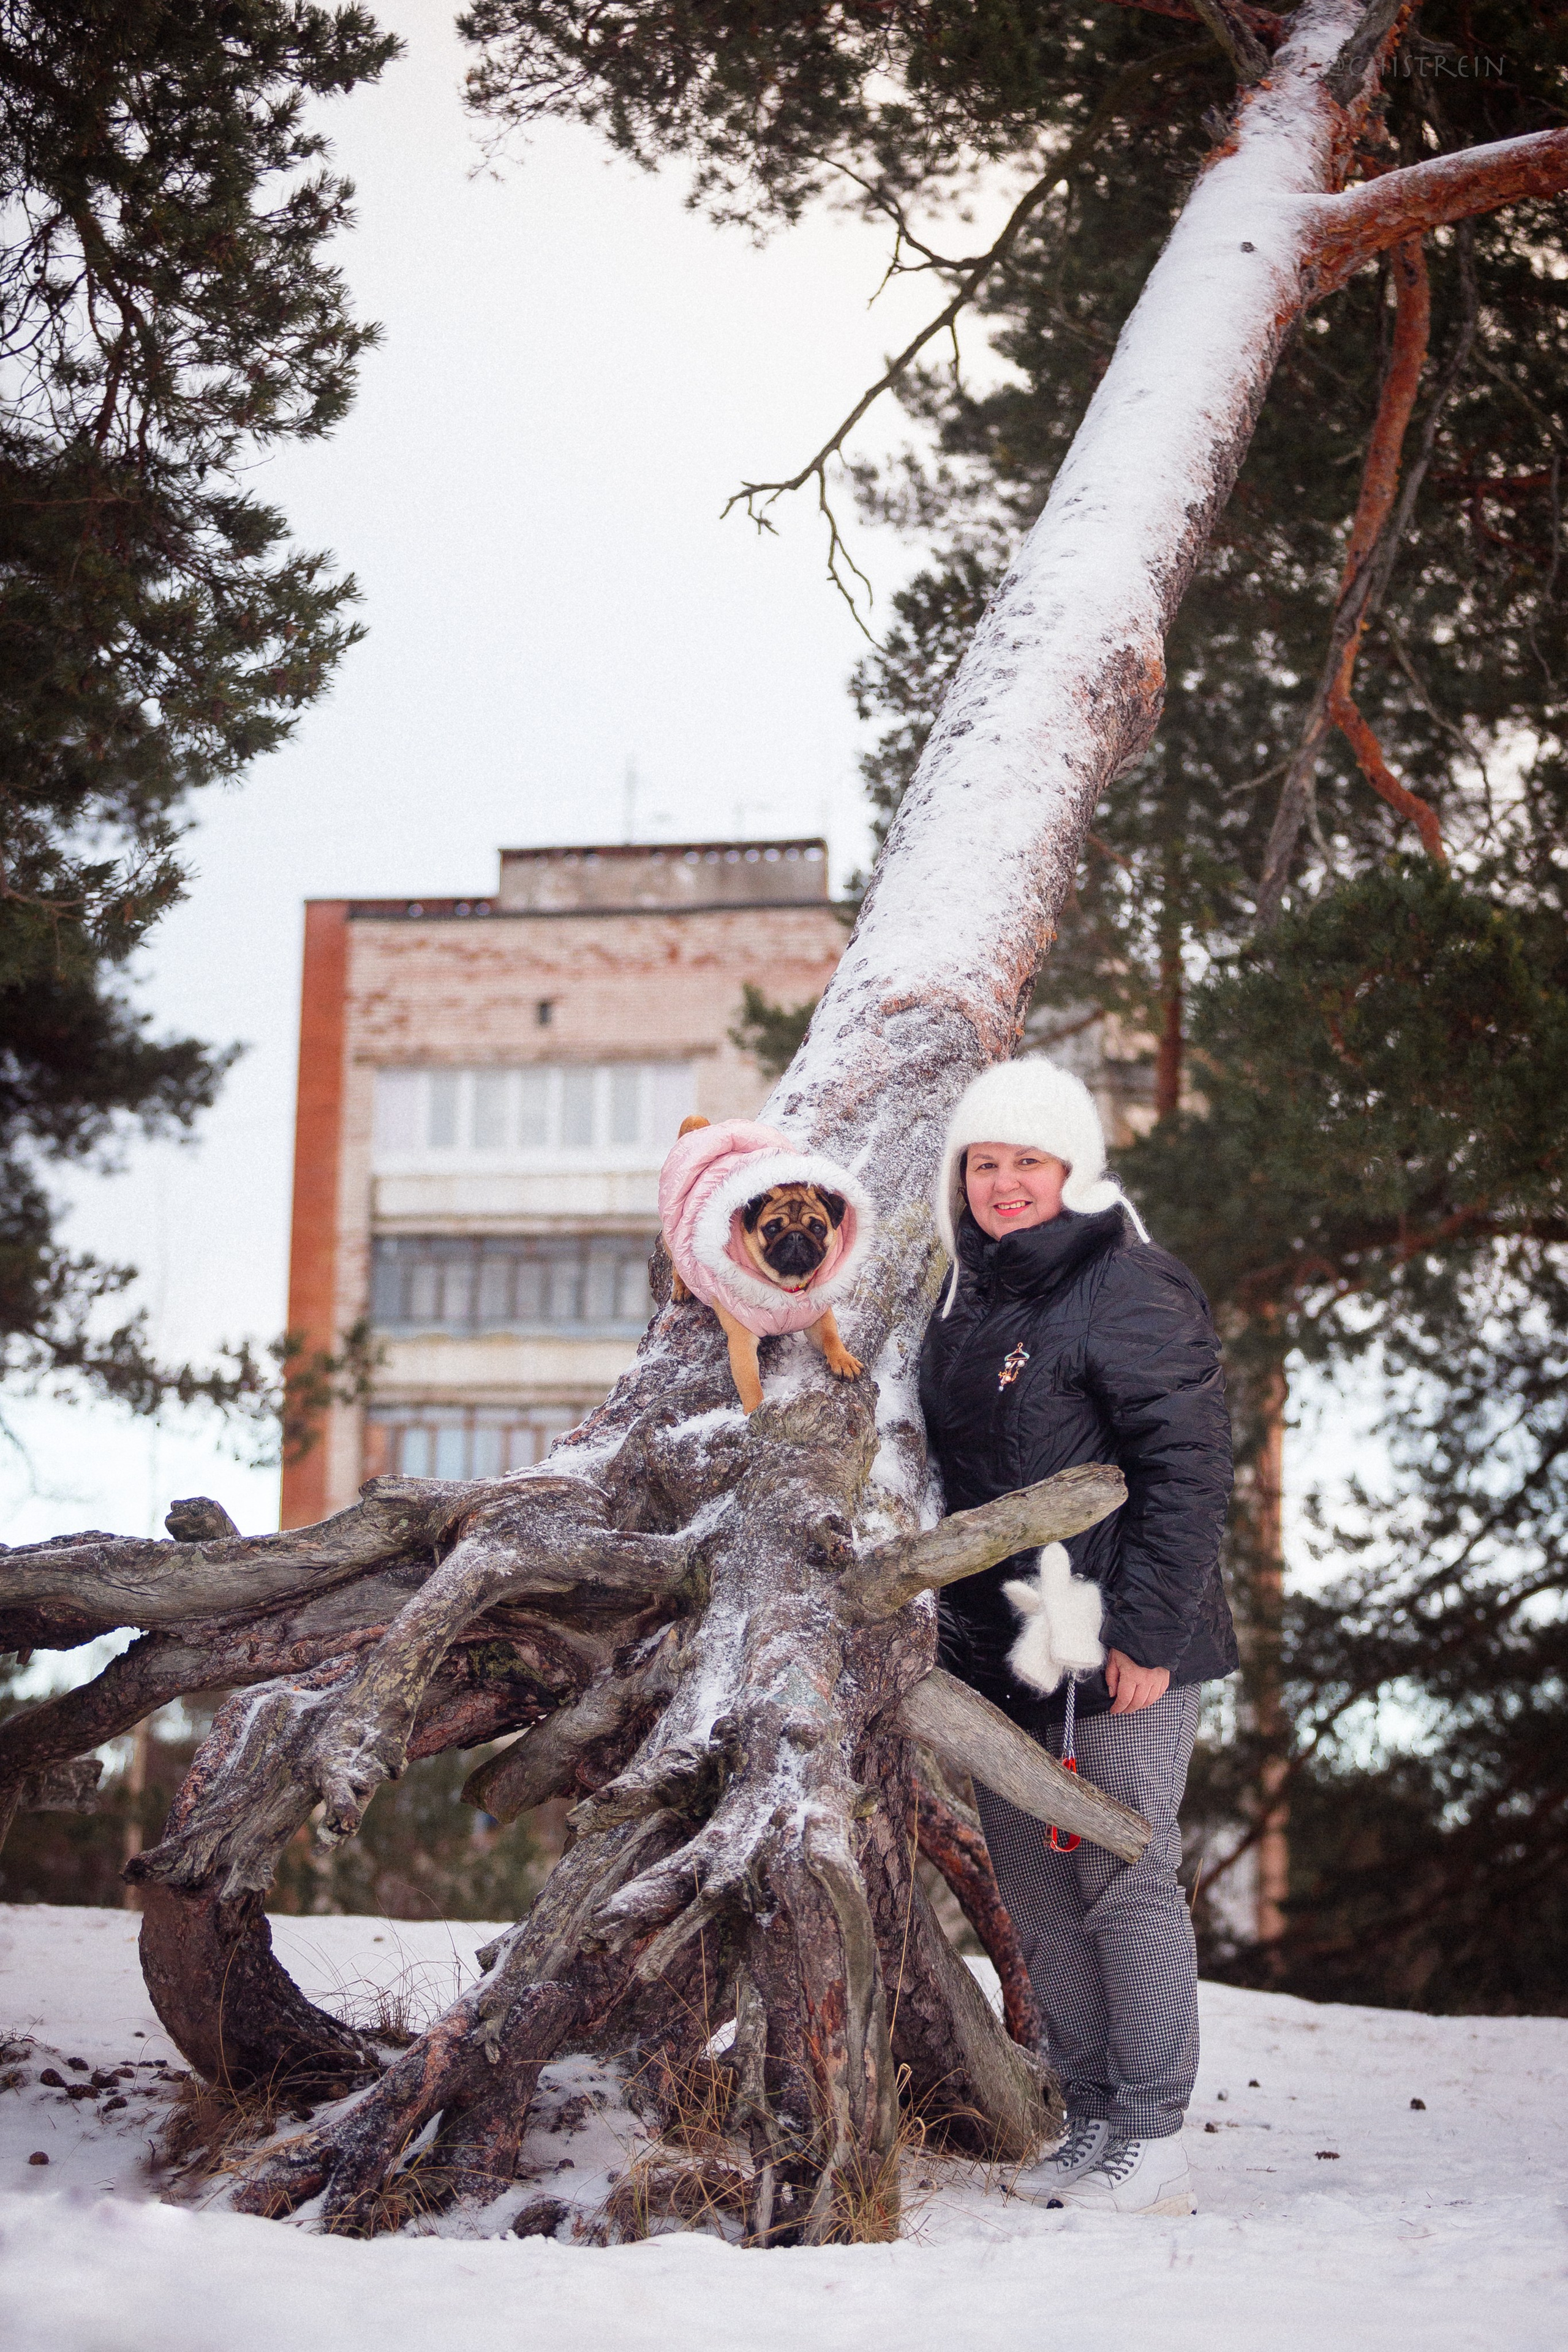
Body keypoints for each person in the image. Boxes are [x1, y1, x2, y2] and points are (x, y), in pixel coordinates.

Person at [918, 1058, 1236, 2217]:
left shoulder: (1132, 1283)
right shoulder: (966, 1299)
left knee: (1124, 1879)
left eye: (1028, 1163)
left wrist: (1147, 1635)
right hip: (1007, 1653)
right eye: (985, 1163)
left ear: (1074, 1169)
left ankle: (1155, 2136)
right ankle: (1091, 2115)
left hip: (1118, 1644)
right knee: (1038, 1896)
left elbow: (1189, 1473)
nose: (1005, 1185)